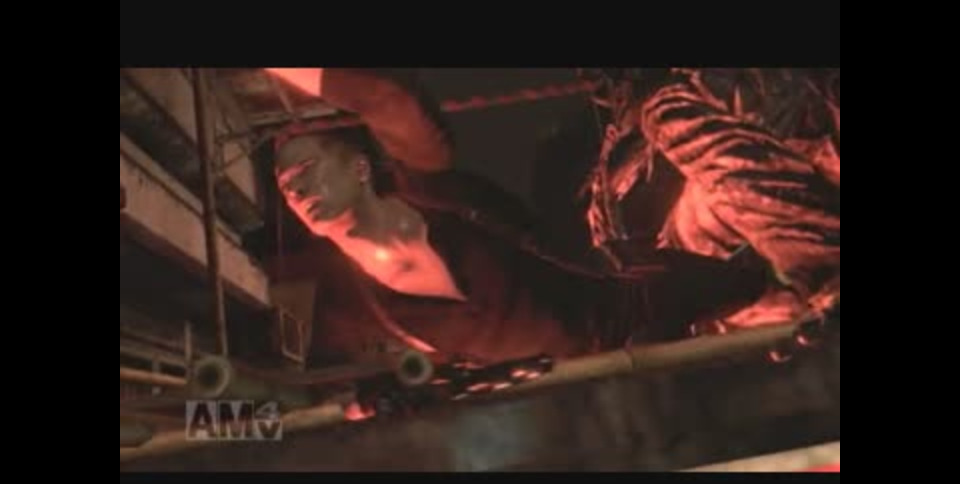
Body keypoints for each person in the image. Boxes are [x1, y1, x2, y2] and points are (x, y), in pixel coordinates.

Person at [263, 68, 768, 367]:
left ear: (358, 167)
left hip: (630, 306)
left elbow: (388, 100)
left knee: (770, 297)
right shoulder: (355, 307)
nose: (296, 190)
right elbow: (321, 403)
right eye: (285, 187)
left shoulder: (434, 191)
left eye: (306, 170)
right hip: (580, 402)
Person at [577, 68, 840, 331]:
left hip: (808, 186)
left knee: (668, 115)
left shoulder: (691, 93)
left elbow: (790, 115)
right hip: (733, 294)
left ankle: (825, 275)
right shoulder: (609, 179)